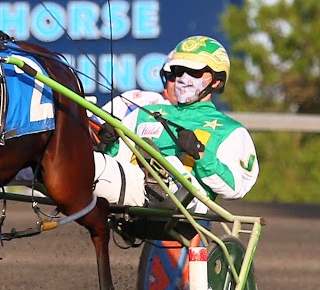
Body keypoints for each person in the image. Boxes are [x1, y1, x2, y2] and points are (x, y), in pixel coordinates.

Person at [91, 35, 259, 208]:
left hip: (189, 201)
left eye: (193, 72)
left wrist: (200, 154)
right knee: (89, 162)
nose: (183, 78)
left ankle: (161, 178)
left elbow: (236, 188)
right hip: (136, 189)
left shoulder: (230, 130)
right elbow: (119, 163)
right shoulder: (145, 113)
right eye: (178, 71)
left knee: (171, 162)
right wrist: (109, 145)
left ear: (216, 81)